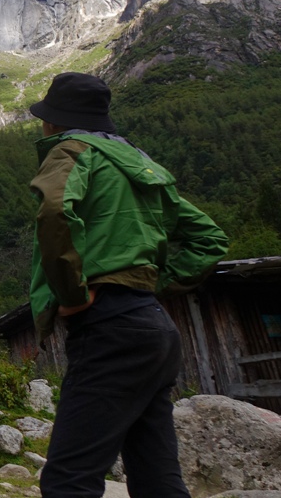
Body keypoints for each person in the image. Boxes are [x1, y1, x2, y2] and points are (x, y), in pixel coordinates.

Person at [27, 72, 228, 498]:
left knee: (69, 480)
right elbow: (209, 239)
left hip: (108, 328)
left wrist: (73, 296)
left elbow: (54, 212)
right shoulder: (143, 166)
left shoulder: (71, 151)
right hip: (154, 328)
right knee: (157, 478)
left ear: (54, 122)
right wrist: (152, 283)